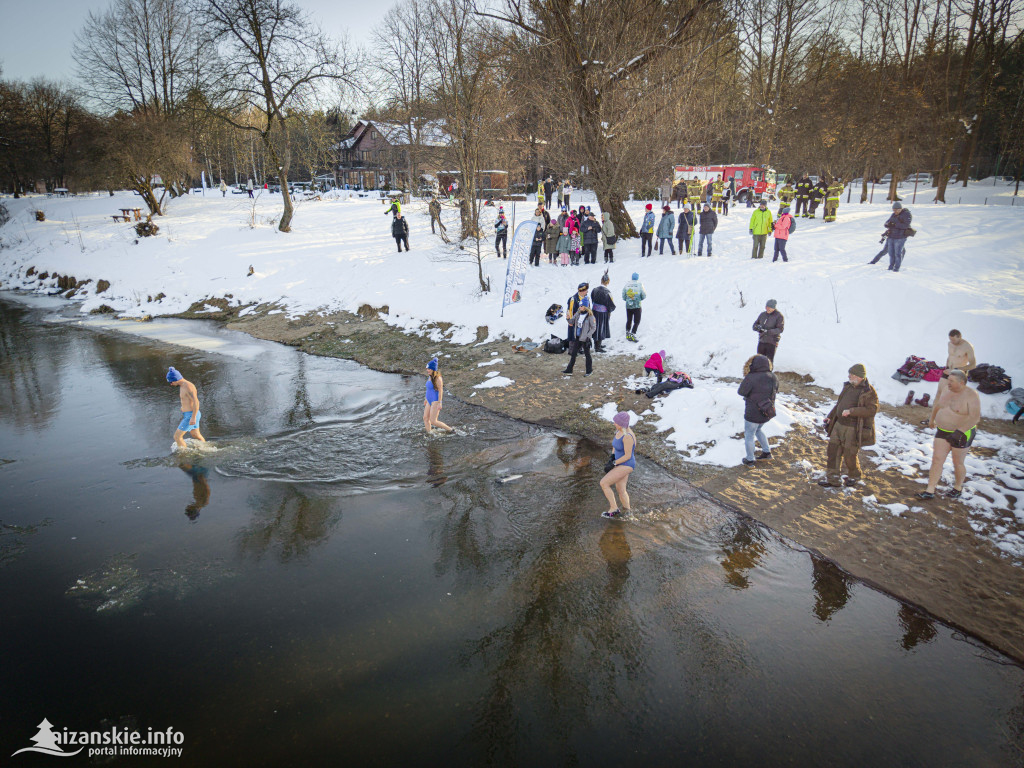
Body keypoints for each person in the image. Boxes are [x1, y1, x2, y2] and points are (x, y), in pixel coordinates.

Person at [916, 369, 980, 499]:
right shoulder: (946, 389)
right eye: (948, 379)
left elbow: (975, 418)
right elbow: (938, 405)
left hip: (962, 433)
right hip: (943, 431)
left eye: (951, 380)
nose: (948, 382)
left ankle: (957, 487)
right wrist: (932, 419)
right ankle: (930, 490)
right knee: (937, 459)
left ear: (961, 382)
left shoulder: (971, 395)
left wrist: (960, 432)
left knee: (958, 462)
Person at [819, 364, 878, 488]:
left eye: (851, 374)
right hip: (838, 425)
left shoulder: (869, 391)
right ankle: (833, 479)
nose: (849, 376)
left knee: (849, 454)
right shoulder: (848, 386)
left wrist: (852, 411)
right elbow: (839, 404)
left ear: (859, 376)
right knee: (833, 451)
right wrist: (830, 416)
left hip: (853, 428)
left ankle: (854, 476)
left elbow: (872, 410)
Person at [737, 354, 778, 465]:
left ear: (754, 364)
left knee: (749, 435)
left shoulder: (751, 377)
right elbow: (775, 390)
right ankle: (767, 453)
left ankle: (750, 459)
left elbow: (741, 392)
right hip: (766, 411)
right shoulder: (773, 376)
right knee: (758, 430)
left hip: (753, 412)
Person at [600, 411, 636, 519]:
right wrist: (612, 457)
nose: (614, 423)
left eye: (616, 422)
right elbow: (615, 446)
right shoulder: (619, 431)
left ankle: (614, 508)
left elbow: (628, 456)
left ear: (622, 424)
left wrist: (614, 463)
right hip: (619, 462)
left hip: (626, 464)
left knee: (604, 483)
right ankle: (628, 511)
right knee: (620, 489)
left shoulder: (628, 436)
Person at [167, 366, 207, 449]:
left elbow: (196, 402)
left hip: (191, 415)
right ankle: (205, 448)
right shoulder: (183, 386)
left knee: (177, 437)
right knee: (195, 434)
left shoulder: (188, 386)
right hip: (189, 414)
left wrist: (193, 417)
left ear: (176, 379)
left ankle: (183, 454)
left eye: (171, 382)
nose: (171, 384)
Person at [423, 357, 454, 434]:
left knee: (433, 421)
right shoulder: (430, 376)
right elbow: (428, 389)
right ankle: (429, 433)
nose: (427, 370)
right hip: (429, 400)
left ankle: (451, 430)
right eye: (427, 369)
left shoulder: (438, 378)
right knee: (425, 418)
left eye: (429, 369)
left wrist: (440, 402)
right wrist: (426, 399)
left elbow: (441, 391)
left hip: (435, 400)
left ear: (433, 369)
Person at [563, 305, 596, 376]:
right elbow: (571, 322)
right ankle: (569, 369)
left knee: (587, 355)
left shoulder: (590, 316)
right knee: (573, 354)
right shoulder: (577, 313)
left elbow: (593, 328)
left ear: (585, 307)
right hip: (578, 338)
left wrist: (588, 336)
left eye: (581, 306)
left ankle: (589, 371)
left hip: (585, 339)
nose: (580, 307)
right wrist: (568, 318)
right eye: (580, 306)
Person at [882, 202, 913, 272]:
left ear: (900, 209)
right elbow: (886, 223)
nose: (895, 211)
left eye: (896, 210)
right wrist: (888, 224)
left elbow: (905, 225)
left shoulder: (906, 214)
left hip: (900, 237)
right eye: (894, 210)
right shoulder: (893, 215)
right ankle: (890, 267)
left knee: (897, 253)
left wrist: (895, 224)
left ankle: (896, 268)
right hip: (891, 236)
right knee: (891, 253)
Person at [752, 299, 784, 364]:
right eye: (766, 307)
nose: (767, 308)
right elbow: (754, 325)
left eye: (769, 307)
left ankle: (768, 370)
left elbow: (780, 329)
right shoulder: (762, 315)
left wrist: (769, 331)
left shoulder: (779, 316)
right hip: (762, 340)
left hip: (772, 342)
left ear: (773, 308)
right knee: (759, 360)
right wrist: (757, 327)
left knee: (768, 362)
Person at [590, 271, 615, 352]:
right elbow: (611, 305)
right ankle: (598, 347)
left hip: (594, 311)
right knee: (601, 328)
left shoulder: (594, 290)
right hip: (602, 313)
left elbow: (592, 299)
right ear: (608, 281)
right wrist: (610, 310)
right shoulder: (607, 292)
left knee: (595, 327)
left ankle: (597, 345)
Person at [622, 272, 646, 341]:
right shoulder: (640, 284)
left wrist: (627, 299)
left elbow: (623, 294)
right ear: (637, 278)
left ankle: (627, 333)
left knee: (629, 319)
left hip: (628, 305)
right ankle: (633, 333)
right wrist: (639, 299)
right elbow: (644, 295)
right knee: (637, 320)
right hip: (637, 305)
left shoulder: (627, 284)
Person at [566, 282, 590, 346]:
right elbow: (570, 311)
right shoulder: (573, 299)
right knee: (574, 339)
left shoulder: (586, 298)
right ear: (582, 291)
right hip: (575, 322)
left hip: (583, 322)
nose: (587, 291)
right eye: (586, 290)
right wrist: (571, 322)